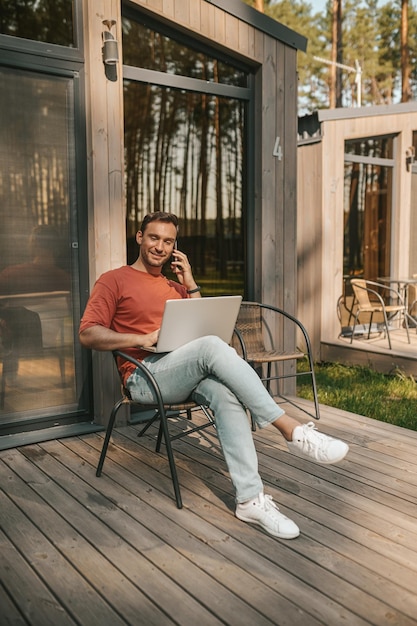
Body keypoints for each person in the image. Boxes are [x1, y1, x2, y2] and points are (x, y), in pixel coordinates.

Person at [79, 212, 349, 540]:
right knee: (209, 348)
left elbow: (204, 328)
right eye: (154, 238)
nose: (160, 247)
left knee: (225, 393)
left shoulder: (175, 287)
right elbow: (88, 334)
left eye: (168, 242)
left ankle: (250, 500)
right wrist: (140, 339)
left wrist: (190, 282)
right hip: (143, 377)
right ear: (139, 237)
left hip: (181, 372)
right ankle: (290, 429)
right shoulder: (114, 279)